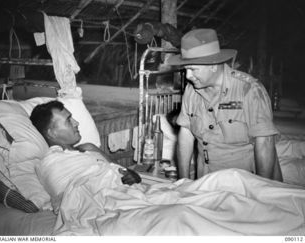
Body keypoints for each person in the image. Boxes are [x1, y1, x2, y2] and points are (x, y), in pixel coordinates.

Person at [166, 28, 283, 181]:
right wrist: (183, 181)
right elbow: (186, 136)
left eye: (193, 69)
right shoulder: (191, 91)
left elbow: (265, 143)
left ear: (213, 65)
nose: (188, 76)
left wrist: (260, 191)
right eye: (186, 70)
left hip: (245, 184)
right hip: (206, 182)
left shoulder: (249, 90)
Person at [30, 100, 141, 202]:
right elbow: (72, 199)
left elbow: (123, 171)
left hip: (129, 194)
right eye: (68, 121)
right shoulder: (52, 164)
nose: (76, 123)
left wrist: (132, 176)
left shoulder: (89, 148)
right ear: (52, 133)